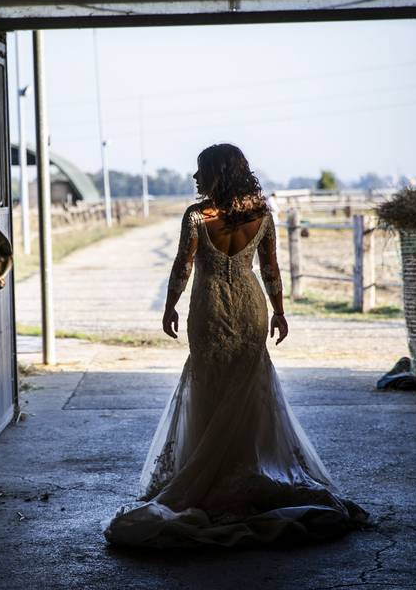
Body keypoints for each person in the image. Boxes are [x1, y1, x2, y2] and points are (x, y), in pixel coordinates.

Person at [103, 144, 368, 548]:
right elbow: (271, 269)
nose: (195, 179)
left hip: (208, 308)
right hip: (250, 307)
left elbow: (183, 266)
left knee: (209, 385)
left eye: (201, 171)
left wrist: (170, 306)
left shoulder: (197, 217)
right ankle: (241, 474)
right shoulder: (261, 215)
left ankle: (211, 479)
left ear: (216, 174)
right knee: (246, 391)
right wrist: (279, 312)